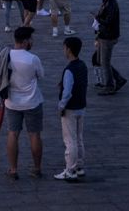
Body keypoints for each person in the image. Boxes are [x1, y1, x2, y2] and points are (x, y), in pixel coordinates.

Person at [0, 26, 45, 179]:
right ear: (26, 41)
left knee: (13, 134)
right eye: (31, 39)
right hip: (32, 101)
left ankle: (13, 170)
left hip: (12, 101)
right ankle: (37, 168)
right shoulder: (32, 59)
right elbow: (40, 75)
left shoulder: (6, 56)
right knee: (34, 135)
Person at [55, 36, 87, 182]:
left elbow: (67, 92)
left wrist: (61, 105)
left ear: (68, 49)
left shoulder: (69, 69)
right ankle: (79, 166)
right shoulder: (82, 65)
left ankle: (70, 169)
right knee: (79, 138)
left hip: (70, 108)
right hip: (81, 105)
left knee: (70, 140)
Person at [94, 0, 125, 95]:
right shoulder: (106, 1)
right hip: (104, 35)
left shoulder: (111, 4)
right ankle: (118, 79)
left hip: (108, 36)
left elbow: (108, 21)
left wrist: (97, 18)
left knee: (104, 62)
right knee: (100, 60)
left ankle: (110, 86)